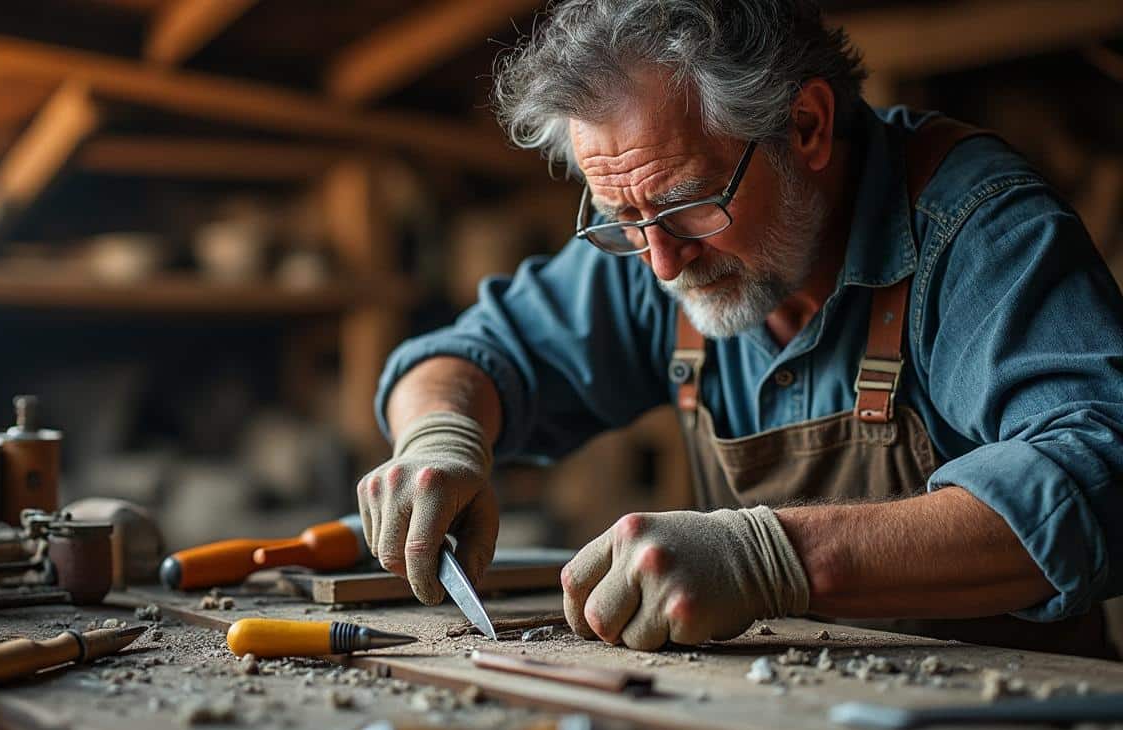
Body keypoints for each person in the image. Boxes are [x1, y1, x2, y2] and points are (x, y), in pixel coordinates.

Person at [356, 0, 1123, 657]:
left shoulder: (977, 230)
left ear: (807, 125)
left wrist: (771, 557)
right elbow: (472, 355)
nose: (661, 263)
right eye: (624, 218)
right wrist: (439, 439)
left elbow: (1099, 471)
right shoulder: (657, 229)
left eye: (690, 202)